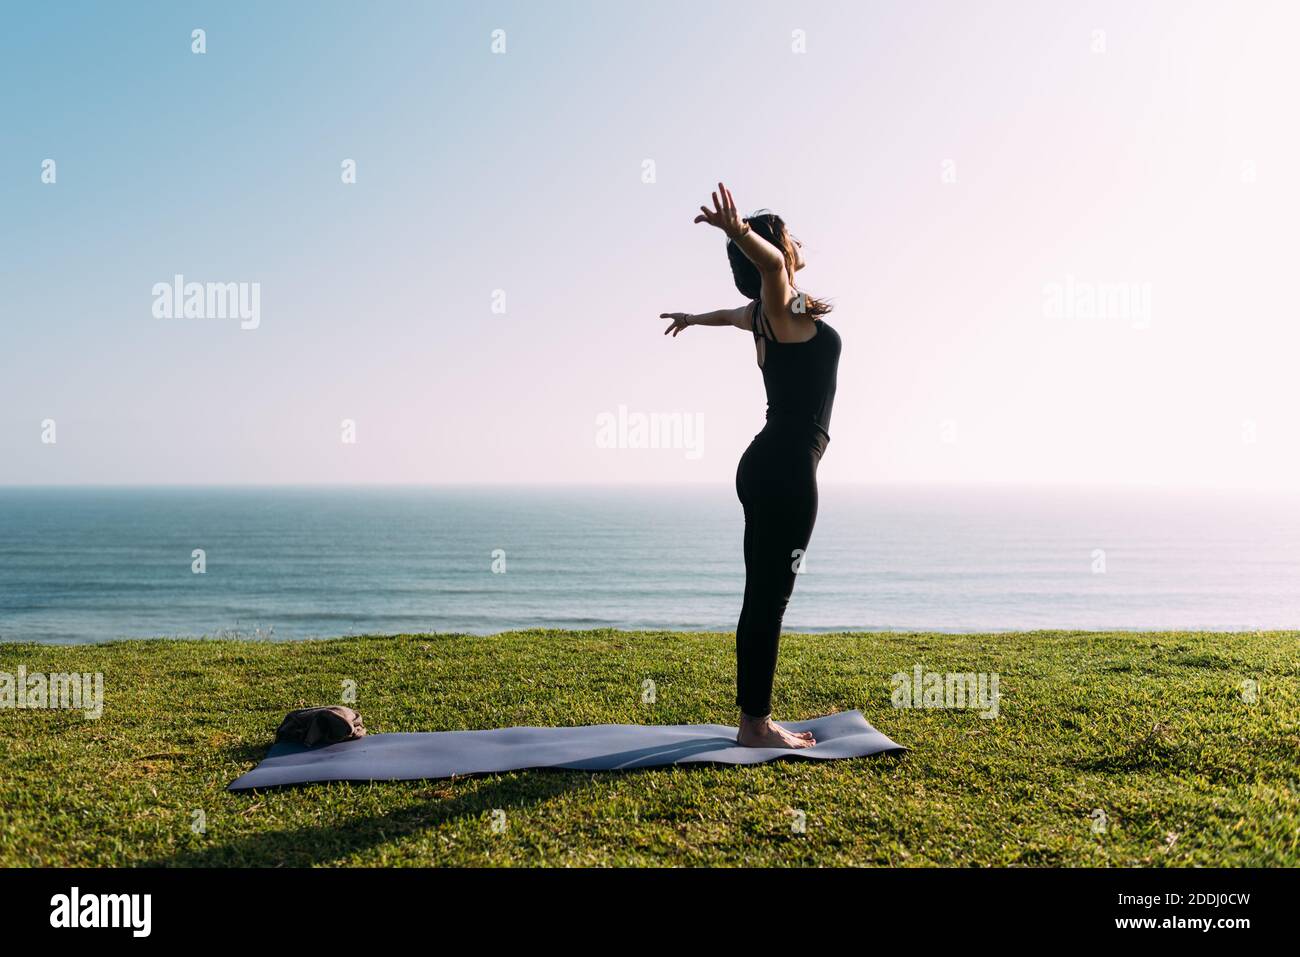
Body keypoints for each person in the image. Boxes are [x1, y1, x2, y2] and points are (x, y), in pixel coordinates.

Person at [661, 183, 841, 748]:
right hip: (786, 471)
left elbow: (728, 313)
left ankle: (753, 719)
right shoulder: (780, 306)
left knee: (758, 596)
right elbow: (770, 270)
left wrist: (693, 317)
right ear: (777, 253)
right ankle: (756, 725)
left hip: (764, 465)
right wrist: (740, 234)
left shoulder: (765, 317)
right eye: (788, 239)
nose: (796, 243)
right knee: (770, 599)